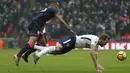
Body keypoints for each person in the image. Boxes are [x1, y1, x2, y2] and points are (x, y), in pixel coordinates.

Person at [13, 1, 76, 66]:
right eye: (57, 5)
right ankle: (18, 56)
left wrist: (41, 32)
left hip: (37, 25)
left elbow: (43, 21)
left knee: (42, 44)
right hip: (35, 25)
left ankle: (26, 55)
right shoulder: (53, 9)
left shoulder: (47, 10)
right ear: (53, 4)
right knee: (31, 42)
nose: (58, 7)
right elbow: (61, 21)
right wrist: (69, 29)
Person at [33, 34, 110, 73]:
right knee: (57, 48)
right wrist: (97, 64)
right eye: (105, 42)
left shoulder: (96, 46)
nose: (105, 44)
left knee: (55, 52)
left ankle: (34, 47)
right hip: (72, 39)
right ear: (102, 39)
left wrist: (96, 67)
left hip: (72, 46)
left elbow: (95, 56)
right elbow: (91, 52)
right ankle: (38, 55)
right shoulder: (95, 39)